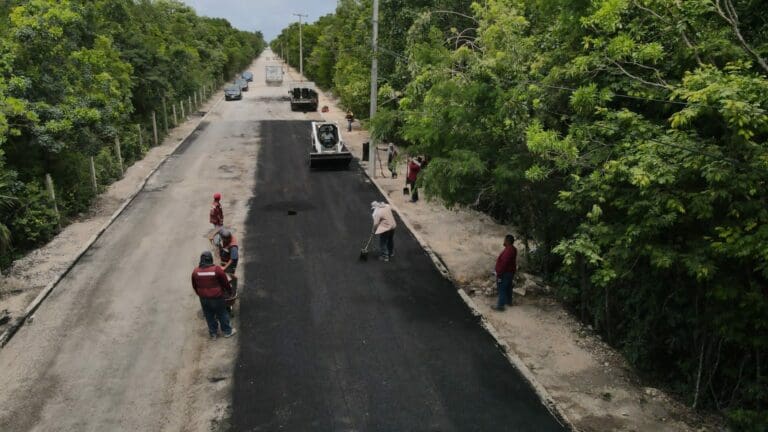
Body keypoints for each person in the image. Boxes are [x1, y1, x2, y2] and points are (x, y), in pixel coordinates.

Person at [191, 251, 235, 339]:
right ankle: (227, 332)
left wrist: (200, 294)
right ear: (211, 259)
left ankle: (213, 334)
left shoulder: (195, 271)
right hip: (217, 298)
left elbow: (194, 285)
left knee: (209, 315)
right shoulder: (216, 269)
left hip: (203, 299)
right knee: (222, 314)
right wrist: (230, 292)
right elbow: (225, 283)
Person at [492, 234, 518, 311]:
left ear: (508, 241)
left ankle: (500, 306)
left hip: (505, 273)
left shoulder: (508, 251)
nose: (504, 241)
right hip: (510, 272)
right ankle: (509, 302)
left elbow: (504, 263)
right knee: (508, 288)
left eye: (505, 240)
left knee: (501, 288)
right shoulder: (513, 249)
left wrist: (499, 273)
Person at [216, 229, 240, 309]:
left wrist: (224, 268)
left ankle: (230, 296)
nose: (222, 240)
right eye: (222, 239)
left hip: (229, 265)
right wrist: (213, 237)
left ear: (228, 238)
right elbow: (218, 229)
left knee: (228, 278)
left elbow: (233, 259)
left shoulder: (233, 247)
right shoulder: (223, 234)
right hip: (224, 260)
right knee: (224, 277)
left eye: (224, 240)